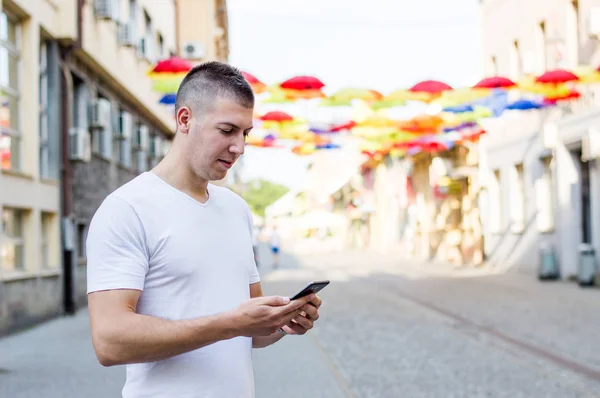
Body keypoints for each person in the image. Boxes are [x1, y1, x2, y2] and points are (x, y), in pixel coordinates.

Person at [86, 62, 323, 398]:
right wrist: (229, 324)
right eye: (227, 130)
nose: (239, 147)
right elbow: (109, 341)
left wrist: (284, 322)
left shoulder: (236, 209)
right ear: (185, 119)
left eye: (245, 133)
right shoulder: (127, 209)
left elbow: (250, 330)